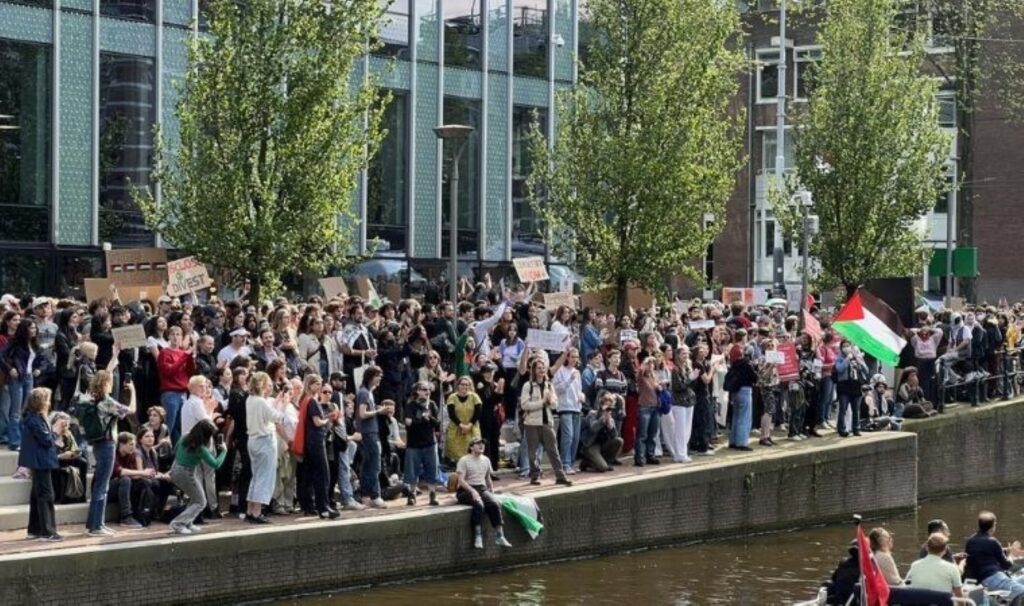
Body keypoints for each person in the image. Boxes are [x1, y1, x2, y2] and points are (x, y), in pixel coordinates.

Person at [85, 369, 135, 537]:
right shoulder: (107, 401)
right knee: (102, 486)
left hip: (97, 444)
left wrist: (115, 354)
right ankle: (97, 526)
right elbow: (131, 410)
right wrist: (133, 391)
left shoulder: (94, 399)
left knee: (100, 484)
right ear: (106, 383)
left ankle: (95, 523)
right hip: (107, 444)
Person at [519, 356, 572, 486]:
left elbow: (555, 405)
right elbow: (525, 405)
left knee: (553, 451)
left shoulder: (549, 385)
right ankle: (534, 476)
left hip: (547, 422)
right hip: (531, 423)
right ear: (534, 370)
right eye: (539, 368)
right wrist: (542, 402)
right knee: (532, 453)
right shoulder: (528, 386)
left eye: (543, 368)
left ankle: (560, 476)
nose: (542, 370)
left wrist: (551, 401)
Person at [168, 419, 227, 535]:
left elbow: (175, 450)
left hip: (176, 468)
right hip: (186, 473)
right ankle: (178, 523)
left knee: (195, 498)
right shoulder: (200, 448)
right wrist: (224, 451)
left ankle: (188, 522)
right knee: (201, 501)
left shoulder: (184, 437)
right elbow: (215, 464)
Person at [19, 387, 61, 541]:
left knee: (37, 495)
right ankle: (48, 531)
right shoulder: (35, 419)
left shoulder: (32, 417)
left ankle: (35, 529)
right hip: (40, 461)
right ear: (41, 403)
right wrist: (56, 431)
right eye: (47, 400)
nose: (49, 403)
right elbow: (47, 440)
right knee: (46, 494)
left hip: (38, 460)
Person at [455, 436, 512, 550]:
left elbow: (488, 478)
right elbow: (461, 481)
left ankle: (499, 536)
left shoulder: (486, 460)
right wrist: (472, 491)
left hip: (482, 488)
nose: (481, 446)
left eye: (483, 444)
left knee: (494, 504)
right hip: (466, 489)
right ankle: (478, 536)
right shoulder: (464, 460)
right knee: (479, 504)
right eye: (477, 444)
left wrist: (492, 492)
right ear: (471, 447)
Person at [245, 371, 286, 524]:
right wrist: (284, 405)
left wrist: (277, 403)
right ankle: (257, 512)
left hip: (253, 439)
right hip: (264, 440)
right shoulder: (260, 401)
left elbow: (267, 410)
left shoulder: (251, 399)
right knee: (265, 477)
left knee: (256, 476)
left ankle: (250, 510)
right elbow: (276, 417)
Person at [964, 510, 1024, 601]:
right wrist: (1011, 555)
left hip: (983, 580)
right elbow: (1007, 565)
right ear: (993, 526)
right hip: (995, 579)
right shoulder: (993, 541)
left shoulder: (970, 541)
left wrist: (1005, 551)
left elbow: (984, 553)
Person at [403, 381, 441, 507]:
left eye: (428, 390)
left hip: (430, 442)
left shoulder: (432, 404)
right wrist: (420, 419)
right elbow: (408, 423)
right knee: (412, 470)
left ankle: (432, 494)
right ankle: (412, 494)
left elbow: (437, 424)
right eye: (424, 389)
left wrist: (428, 417)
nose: (426, 392)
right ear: (417, 391)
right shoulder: (410, 405)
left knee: (432, 469)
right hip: (414, 443)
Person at [357, 366, 389, 508]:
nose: (380, 378)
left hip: (371, 432)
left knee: (369, 464)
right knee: (374, 464)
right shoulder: (364, 393)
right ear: (370, 376)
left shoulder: (369, 392)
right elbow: (362, 414)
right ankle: (374, 495)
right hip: (368, 433)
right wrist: (379, 411)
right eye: (378, 375)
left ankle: (366, 495)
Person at [552, 347, 585, 473]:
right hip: (565, 407)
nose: (574, 360)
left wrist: (582, 395)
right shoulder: (560, 371)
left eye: (576, 357)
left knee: (576, 437)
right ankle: (565, 463)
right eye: (572, 357)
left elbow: (579, 389)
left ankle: (570, 462)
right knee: (568, 436)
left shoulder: (577, 372)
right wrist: (570, 379)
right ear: (567, 357)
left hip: (577, 407)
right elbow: (557, 389)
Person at [108, 432, 150, 529]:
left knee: (142, 482)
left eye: (135, 445)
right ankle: (125, 517)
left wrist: (146, 474)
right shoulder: (113, 454)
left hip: (121, 488)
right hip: (105, 490)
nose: (133, 448)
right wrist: (143, 472)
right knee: (125, 479)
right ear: (122, 445)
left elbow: (135, 475)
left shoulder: (131, 455)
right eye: (131, 444)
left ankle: (142, 514)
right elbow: (120, 472)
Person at [905, 533, 964, 598]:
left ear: (927, 548)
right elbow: (959, 596)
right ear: (945, 550)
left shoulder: (914, 565)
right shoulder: (952, 568)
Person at [578, 395, 623, 473]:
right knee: (602, 468)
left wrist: (610, 425)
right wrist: (602, 419)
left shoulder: (610, 418)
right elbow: (593, 428)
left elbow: (614, 436)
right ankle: (586, 462)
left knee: (618, 441)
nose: (608, 410)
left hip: (602, 445)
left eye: (610, 407)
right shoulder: (592, 414)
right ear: (601, 405)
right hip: (591, 445)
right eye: (607, 407)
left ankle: (607, 461)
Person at [51, 411, 88, 504]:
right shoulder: (51, 435)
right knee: (56, 467)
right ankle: (59, 497)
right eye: (63, 424)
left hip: (68, 459)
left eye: (67, 424)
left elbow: (75, 449)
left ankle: (81, 496)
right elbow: (47, 455)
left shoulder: (68, 434)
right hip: (54, 460)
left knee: (83, 462)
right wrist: (60, 456)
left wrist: (73, 454)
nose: (66, 427)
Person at [445, 376, 482, 464]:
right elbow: (452, 414)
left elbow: (478, 413)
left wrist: (469, 425)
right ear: (458, 385)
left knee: (473, 451)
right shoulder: (452, 397)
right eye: (462, 384)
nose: (464, 387)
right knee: (456, 455)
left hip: (471, 428)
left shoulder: (475, 397)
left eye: (467, 385)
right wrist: (461, 425)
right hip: (456, 428)